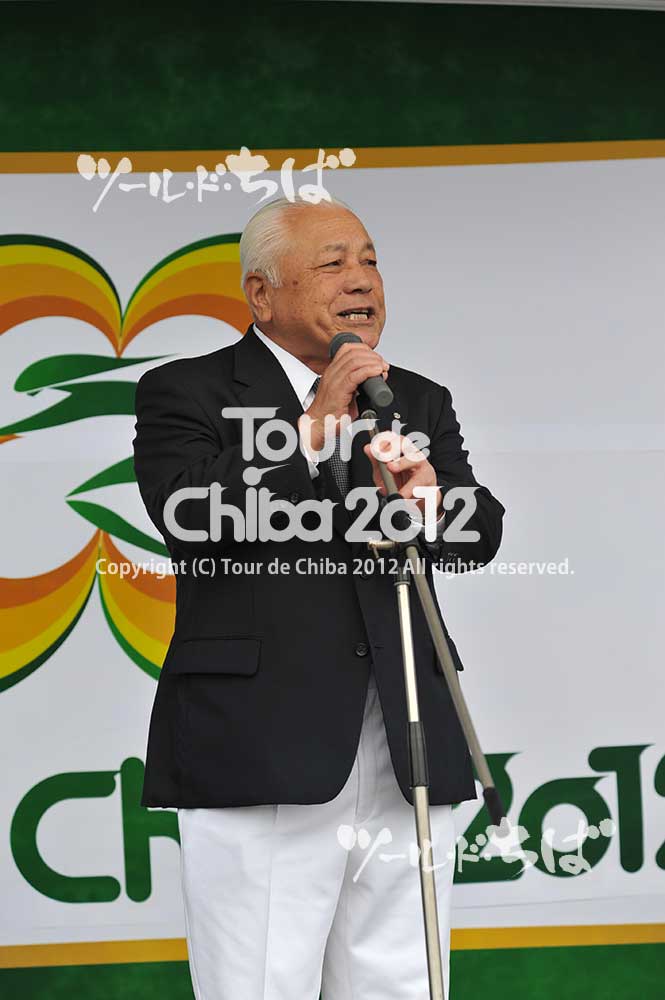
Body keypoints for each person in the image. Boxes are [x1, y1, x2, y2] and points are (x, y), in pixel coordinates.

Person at [132, 196, 504, 999]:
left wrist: (429, 500)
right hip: (262, 738)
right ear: (261, 294)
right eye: (332, 264)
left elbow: (479, 537)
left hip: (404, 734)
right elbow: (188, 516)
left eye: (368, 260)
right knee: (260, 983)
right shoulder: (187, 390)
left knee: (403, 982)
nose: (360, 280)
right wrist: (311, 428)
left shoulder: (413, 397)